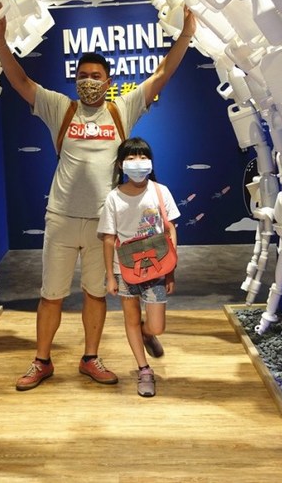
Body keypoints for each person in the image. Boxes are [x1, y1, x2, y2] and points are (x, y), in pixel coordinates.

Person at [0, 5, 196, 391]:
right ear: (74, 80)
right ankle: (41, 361)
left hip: (105, 225)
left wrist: (185, 35)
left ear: (108, 80)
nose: (88, 82)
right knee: (51, 295)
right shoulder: (59, 108)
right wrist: (0, 42)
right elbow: (20, 81)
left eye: (95, 76)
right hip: (62, 218)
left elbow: (161, 74)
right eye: (82, 76)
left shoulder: (122, 109)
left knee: (95, 293)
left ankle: (90, 358)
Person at [97, 137, 179, 397]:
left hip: (157, 267)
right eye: (131, 158)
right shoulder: (113, 197)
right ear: (121, 165)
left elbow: (170, 229)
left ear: (151, 161)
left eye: (143, 157)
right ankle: (144, 369)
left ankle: (148, 334)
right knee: (131, 318)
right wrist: (110, 276)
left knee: (157, 326)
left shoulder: (160, 191)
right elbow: (108, 238)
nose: (137, 162)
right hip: (124, 268)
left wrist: (171, 270)